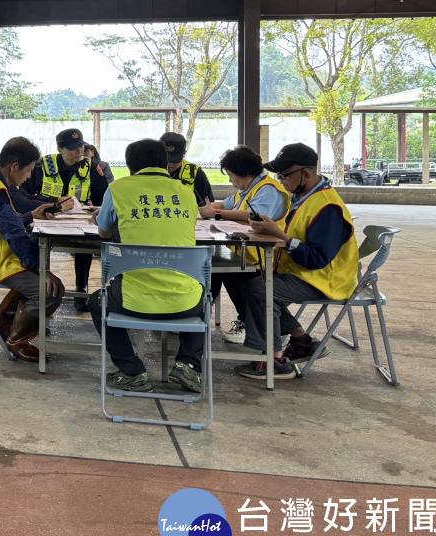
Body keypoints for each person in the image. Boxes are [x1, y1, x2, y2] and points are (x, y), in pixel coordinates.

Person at [234, 143, 357, 381]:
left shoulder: (327, 207)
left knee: (260, 288)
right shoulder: (303, 197)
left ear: (306, 174)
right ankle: (301, 341)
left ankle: (276, 361)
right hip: (303, 272)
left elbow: (316, 259)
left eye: (284, 175)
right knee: (243, 278)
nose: (280, 180)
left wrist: (278, 234)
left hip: (324, 279)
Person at [90, 138, 205, 393]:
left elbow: (105, 233)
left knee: (97, 302)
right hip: (185, 303)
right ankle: (188, 365)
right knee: (202, 295)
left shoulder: (117, 189)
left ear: (130, 167)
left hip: (133, 301)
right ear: (166, 163)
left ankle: (132, 371)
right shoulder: (186, 192)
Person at [0, 136, 63, 362]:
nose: (27, 178)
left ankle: (3, 322)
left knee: (37, 270)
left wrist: (30, 216)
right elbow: (14, 235)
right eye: (28, 171)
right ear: (14, 166)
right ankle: (18, 339)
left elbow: (6, 222)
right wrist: (42, 271)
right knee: (50, 292)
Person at [197, 145, 290, 344]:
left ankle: (257, 324)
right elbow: (224, 204)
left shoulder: (268, 190)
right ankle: (201, 316)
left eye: (231, 175)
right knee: (216, 265)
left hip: (265, 258)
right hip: (246, 253)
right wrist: (206, 207)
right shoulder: (248, 189)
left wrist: (215, 214)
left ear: (245, 173)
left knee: (220, 268)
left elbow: (253, 216)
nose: (230, 180)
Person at [25, 128, 109, 312]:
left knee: (85, 247)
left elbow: (103, 199)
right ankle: (38, 290)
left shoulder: (92, 167)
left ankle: (81, 288)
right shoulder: (42, 166)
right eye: (73, 148)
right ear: (60, 149)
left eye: (81, 146)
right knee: (36, 244)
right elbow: (26, 193)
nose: (79, 151)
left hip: (79, 223)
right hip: (48, 221)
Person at [159, 132, 215, 207]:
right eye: (166, 160)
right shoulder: (148, 171)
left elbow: (209, 204)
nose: (170, 164)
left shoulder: (195, 173)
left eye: (175, 161)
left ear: (183, 155)